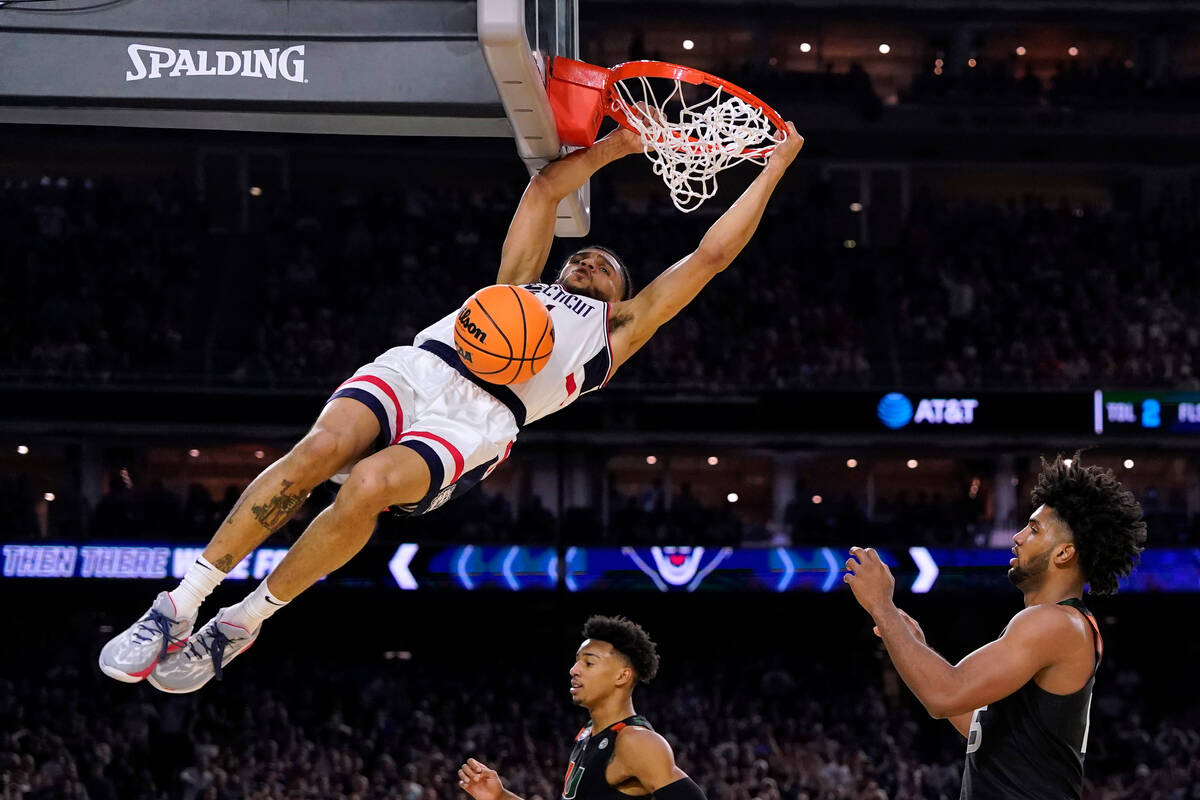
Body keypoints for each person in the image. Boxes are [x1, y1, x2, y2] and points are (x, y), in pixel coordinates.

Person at [98, 121, 804, 692]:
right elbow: (547, 187)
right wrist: (620, 143)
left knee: (369, 488)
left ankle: (245, 621)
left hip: (479, 420)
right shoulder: (519, 285)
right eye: (581, 256)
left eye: (605, 265)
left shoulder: (616, 332)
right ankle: (179, 605)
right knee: (315, 455)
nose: (588, 261)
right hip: (421, 366)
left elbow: (710, 255)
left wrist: (775, 164)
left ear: (621, 294)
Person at [844, 454, 1147, 799]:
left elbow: (944, 695)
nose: (1017, 537)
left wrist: (881, 605)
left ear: (1064, 553)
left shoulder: (1053, 622)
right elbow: (978, 726)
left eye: (1033, 529)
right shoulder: (1059, 624)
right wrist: (915, 648)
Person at [458, 616, 707, 800]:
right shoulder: (588, 733)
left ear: (622, 676)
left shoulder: (635, 741)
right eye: (576, 662)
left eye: (588, 663)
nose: (573, 670)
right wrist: (500, 797)